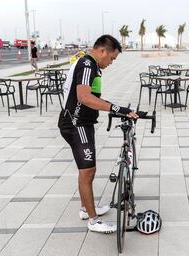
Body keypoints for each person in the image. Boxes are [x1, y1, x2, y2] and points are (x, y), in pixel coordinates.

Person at [58, 35, 138, 233]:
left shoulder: (89, 63)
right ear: (102, 51)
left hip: (80, 123)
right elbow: (84, 97)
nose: (110, 63)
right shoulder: (87, 64)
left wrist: (116, 109)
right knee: (88, 171)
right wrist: (116, 108)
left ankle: (86, 208)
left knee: (85, 170)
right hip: (77, 124)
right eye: (111, 58)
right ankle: (93, 221)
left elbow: (89, 97)